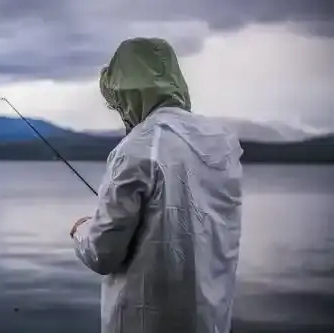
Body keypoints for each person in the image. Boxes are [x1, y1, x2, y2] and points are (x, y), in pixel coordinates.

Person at [70, 37, 243, 333]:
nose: (120, 111)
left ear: (130, 94)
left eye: (119, 101)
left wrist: (81, 230)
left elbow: (102, 253)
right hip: (210, 322)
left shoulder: (137, 148)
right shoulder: (223, 143)